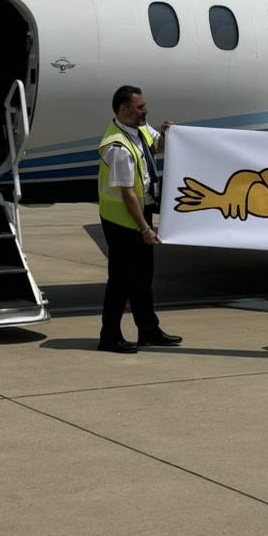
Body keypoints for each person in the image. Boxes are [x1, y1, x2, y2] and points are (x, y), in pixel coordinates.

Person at [95, 84, 182, 354]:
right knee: (120, 282)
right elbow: (127, 194)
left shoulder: (140, 129)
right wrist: (145, 229)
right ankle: (109, 337)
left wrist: (166, 134)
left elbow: (159, 146)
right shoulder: (118, 147)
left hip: (138, 214)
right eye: (140, 107)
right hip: (122, 220)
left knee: (143, 279)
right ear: (124, 110)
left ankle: (148, 330)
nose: (146, 110)